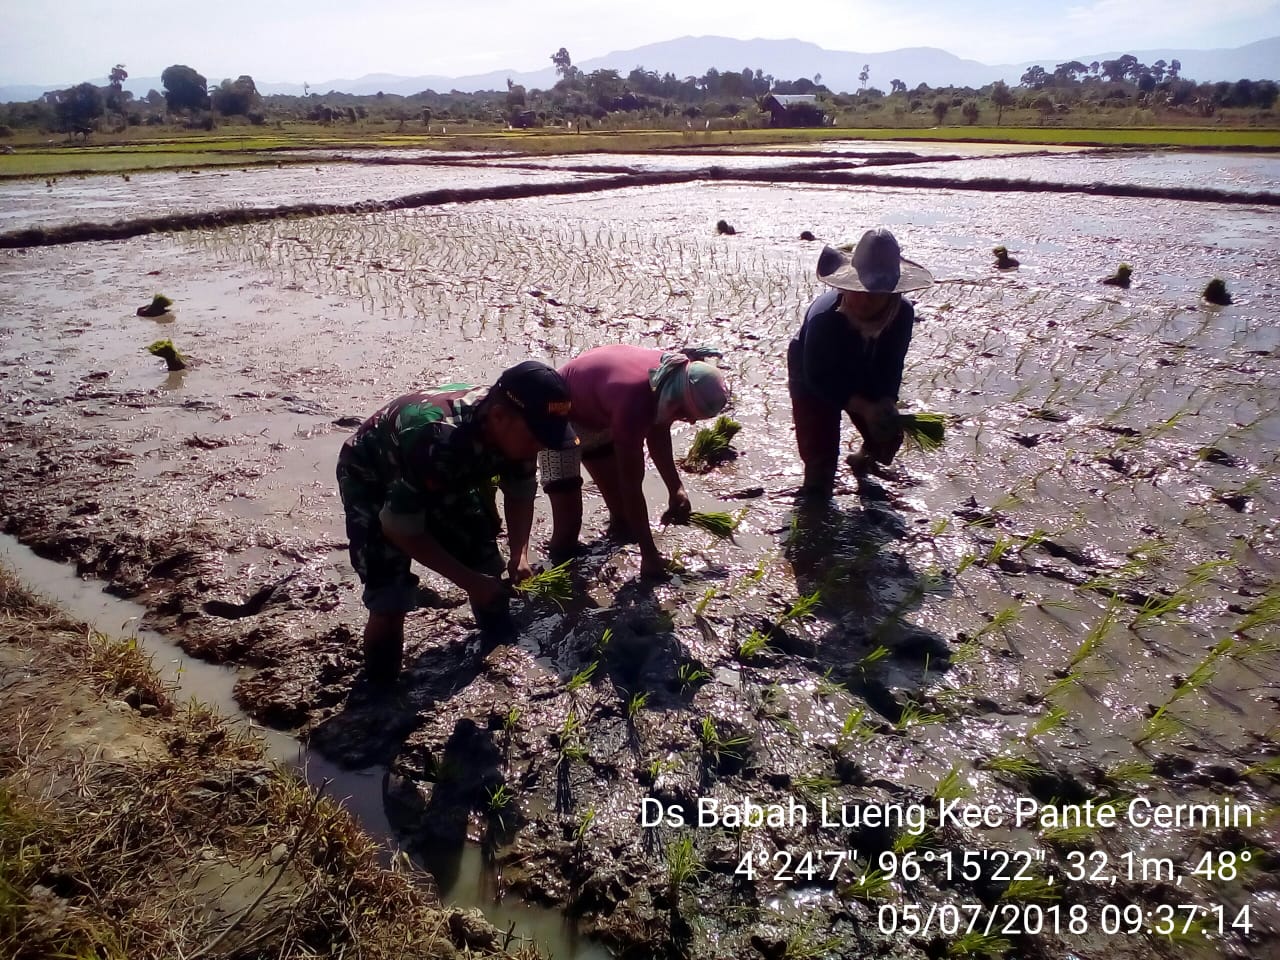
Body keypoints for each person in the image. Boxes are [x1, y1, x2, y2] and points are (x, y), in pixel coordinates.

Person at [337, 361, 578, 684]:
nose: (541, 445)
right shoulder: (439, 439)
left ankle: (500, 647)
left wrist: (519, 554)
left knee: (487, 565)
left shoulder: (517, 430)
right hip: (373, 474)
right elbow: (398, 526)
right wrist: (469, 582)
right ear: (498, 417)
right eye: (537, 437)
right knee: (389, 597)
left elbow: (519, 491)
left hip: (448, 474)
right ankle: (380, 693)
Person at [539, 345, 729, 579]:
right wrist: (649, 555)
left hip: (598, 411)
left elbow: (658, 434)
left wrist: (676, 488)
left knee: (625, 520)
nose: (689, 422)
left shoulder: (670, 379)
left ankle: (614, 540)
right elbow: (631, 484)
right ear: (678, 400)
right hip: (555, 413)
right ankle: (558, 579)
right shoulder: (636, 402)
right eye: (687, 414)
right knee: (567, 529)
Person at [787, 227, 933, 497]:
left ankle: (861, 460)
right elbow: (817, 378)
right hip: (813, 371)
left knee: (887, 436)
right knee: (820, 461)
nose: (864, 299)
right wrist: (863, 407)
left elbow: (891, 365)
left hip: (864, 365)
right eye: (859, 289)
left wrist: (886, 402)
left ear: (892, 293)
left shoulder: (901, 314)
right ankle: (815, 500)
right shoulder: (825, 318)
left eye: (875, 293)